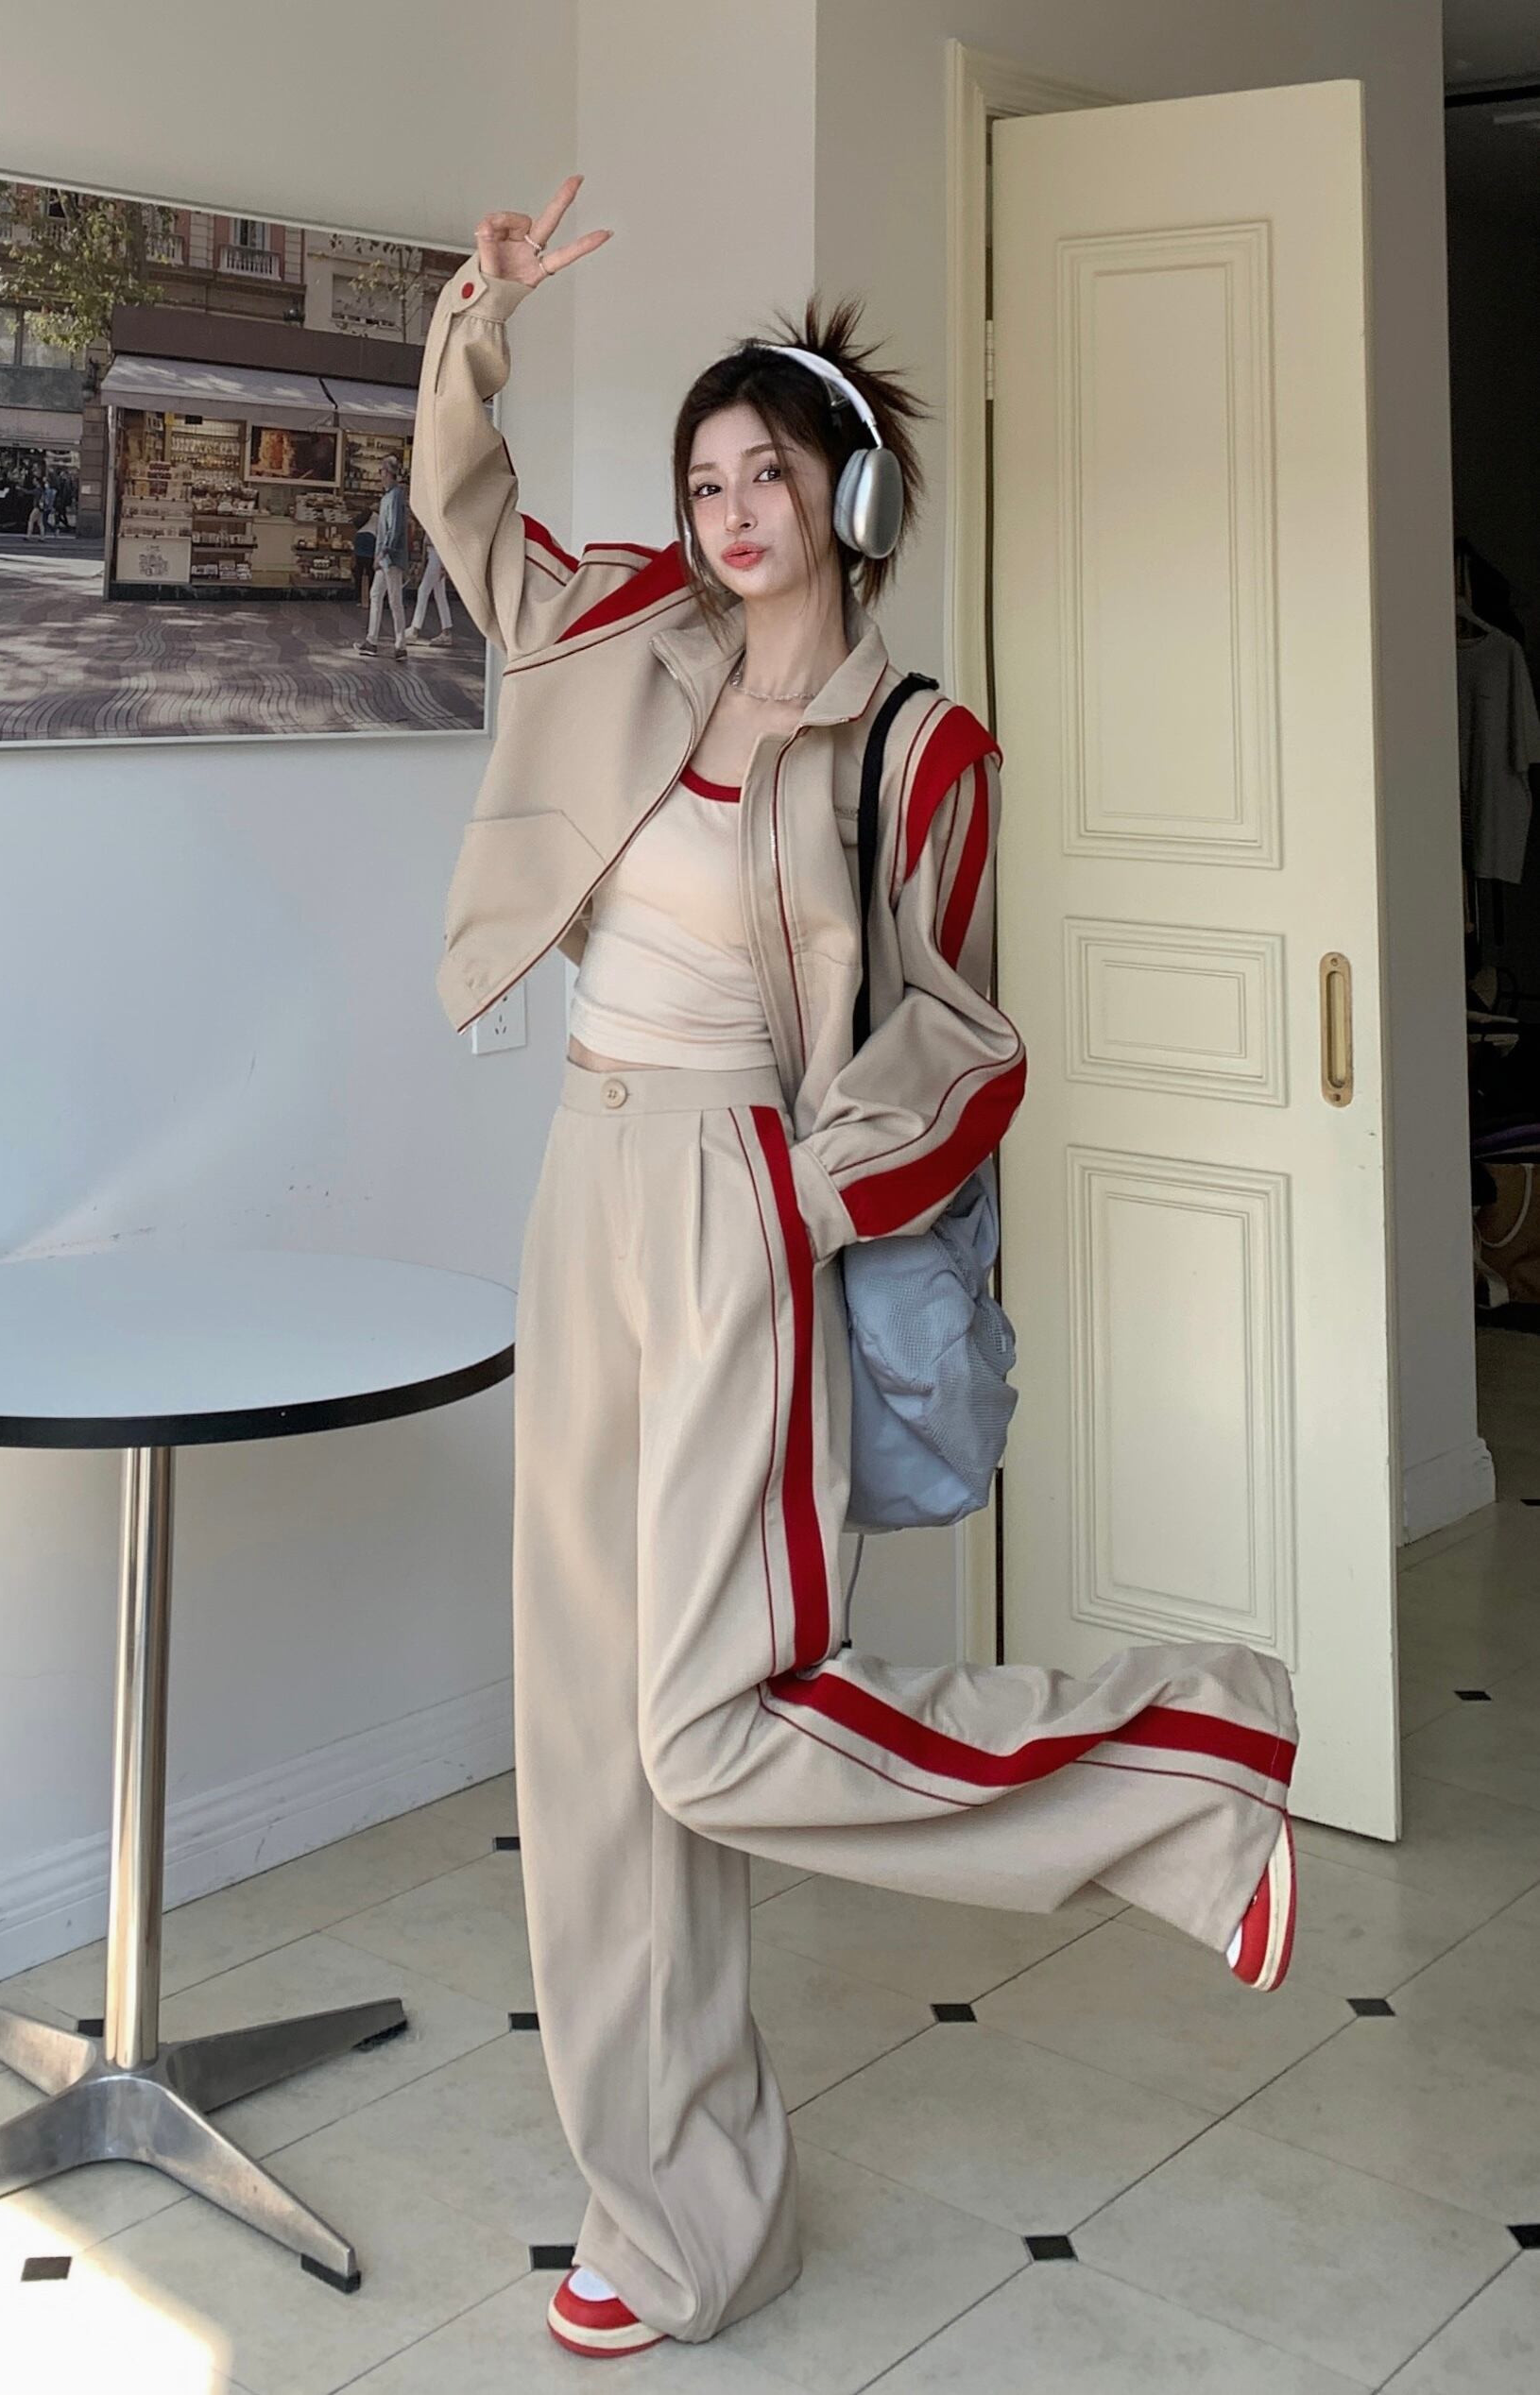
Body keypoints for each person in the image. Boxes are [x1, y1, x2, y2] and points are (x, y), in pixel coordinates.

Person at [410, 174, 1299, 2360]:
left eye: (763, 474)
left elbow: (960, 1038)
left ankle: (1177, 1764)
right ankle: (674, 2213)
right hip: (580, 1181)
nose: (726, 511)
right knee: (587, 1745)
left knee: (706, 1727)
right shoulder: (628, 632)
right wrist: (473, 327)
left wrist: (801, 1202)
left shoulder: (917, 747)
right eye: (703, 477)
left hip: (738, 1198)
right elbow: (471, 523)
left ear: (845, 495)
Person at [353, 453, 409, 659]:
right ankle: (372, 641)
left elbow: (394, 528)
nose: (380, 476)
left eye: (381, 471)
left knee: (394, 601)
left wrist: (383, 552)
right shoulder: (389, 497)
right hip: (385, 558)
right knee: (376, 595)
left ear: (387, 473)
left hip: (390, 558)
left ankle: (400, 645)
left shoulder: (394, 497)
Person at [407, 533, 454, 643]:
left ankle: (415, 628)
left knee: (423, 591)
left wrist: (442, 565)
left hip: (436, 557)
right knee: (440, 595)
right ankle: (446, 631)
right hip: (435, 556)